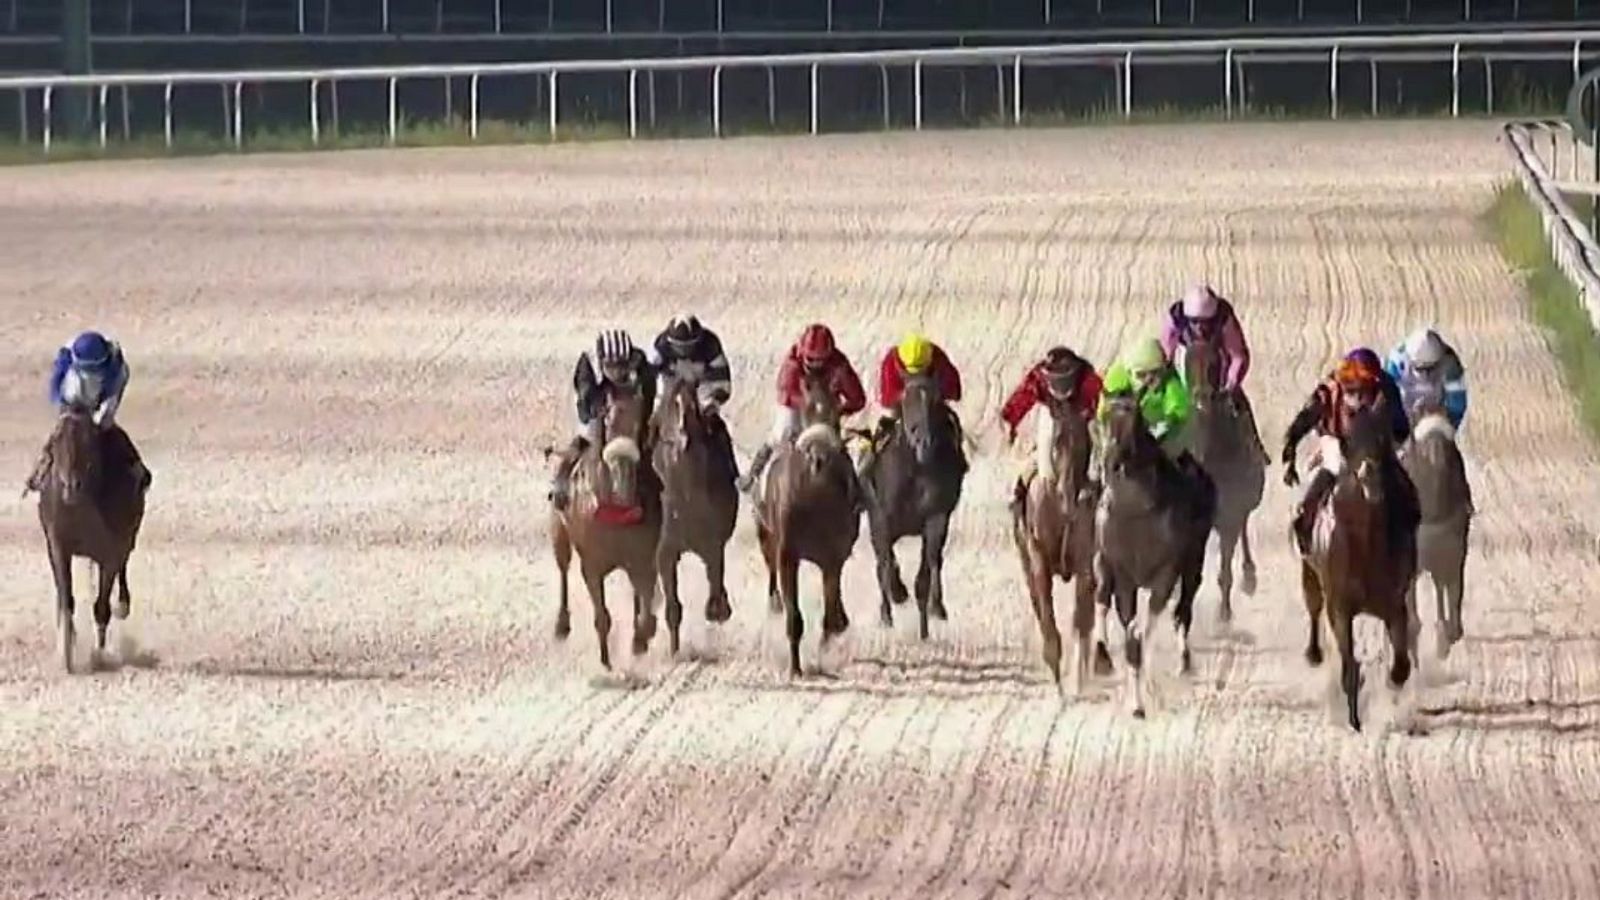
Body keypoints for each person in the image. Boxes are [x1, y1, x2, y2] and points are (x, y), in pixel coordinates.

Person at [1280, 349, 1415, 553]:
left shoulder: (1386, 387)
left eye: (1365, 388)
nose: (1359, 396)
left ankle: (1409, 525)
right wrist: (1291, 445)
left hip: (1374, 443)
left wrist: (1391, 444)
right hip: (1336, 438)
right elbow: (1306, 417)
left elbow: (1401, 426)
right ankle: (1305, 521)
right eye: (1352, 388)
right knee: (1333, 466)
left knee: (1399, 481)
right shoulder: (1330, 388)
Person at [738, 323, 866, 494]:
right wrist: (807, 404)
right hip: (796, 408)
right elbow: (785, 391)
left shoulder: (840, 365)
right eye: (811, 359)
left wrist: (839, 409)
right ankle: (754, 474)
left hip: (825, 411)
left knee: (838, 447)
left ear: (830, 355)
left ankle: (855, 491)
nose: (816, 365)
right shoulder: (792, 363)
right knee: (781, 433)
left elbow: (858, 398)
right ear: (802, 353)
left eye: (821, 360)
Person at [26, 330, 150, 496]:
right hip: (70, 401)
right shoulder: (66, 356)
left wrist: (102, 416)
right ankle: (41, 468)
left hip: (99, 401)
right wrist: (60, 403)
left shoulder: (115, 368)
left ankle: (136, 466)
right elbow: (56, 382)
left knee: (110, 431)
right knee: (60, 433)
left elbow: (112, 394)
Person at [1159, 283, 1268, 463]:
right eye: (1195, 322)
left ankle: (1255, 445)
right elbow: (1164, 354)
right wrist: (1169, 381)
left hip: (1219, 376)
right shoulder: (1175, 318)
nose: (1201, 328)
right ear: (1187, 318)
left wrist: (1230, 384)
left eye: (1206, 323)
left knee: (1239, 404)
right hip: (1184, 373)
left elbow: (1238, 355)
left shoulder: (1225, 319)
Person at [549, 329, 655, 512]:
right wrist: (599, 411)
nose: (617, 372)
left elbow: (650, 392)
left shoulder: (640, 362)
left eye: (622, 366)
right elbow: (585, 402)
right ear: (601, 362)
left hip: (626, 398)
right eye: (611, 367)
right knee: (581, 439)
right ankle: (562, 481)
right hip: (592, 400)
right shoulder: (588, 366)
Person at [857, 332, 963, 478]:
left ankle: (959, 457)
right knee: (879, 433)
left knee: (953, 424)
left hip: (931, 403)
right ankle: (866, 466)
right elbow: (886, 398)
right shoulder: (891, 362)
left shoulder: (938, 357)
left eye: (921, 369)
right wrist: (903, 396)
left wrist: (936, 392)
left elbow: (955, 389)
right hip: (901, 408)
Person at [1000, 345, 1104, 493]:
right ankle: (1022, 487)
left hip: (1082, 417)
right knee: (1045, 448)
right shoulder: (1039, 377)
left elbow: (1102, 403)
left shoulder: (1088, 379)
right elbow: (1023, 396)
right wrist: (1010, 421)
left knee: (1098, 442)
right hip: (1051, 414)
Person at [649, 313, 738, 479]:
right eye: (679, 346)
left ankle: (731, 470)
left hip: (702, 385)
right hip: (670, 384)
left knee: (716, 426)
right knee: (651, 423)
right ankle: (644, 469)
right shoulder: (660, 345)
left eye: (688, 346)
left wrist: (713, 400)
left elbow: (721, 379)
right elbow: (650, 376)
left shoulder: (711, 344)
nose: (683, 350)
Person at [1096, 336, 1200, 475]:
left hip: (1158, 432)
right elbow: (1104, 409)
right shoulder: (1117, 376)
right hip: (1122, 431)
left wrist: (1167, 425)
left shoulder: (1170, 383)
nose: (1150, 380)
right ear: (1130, 371)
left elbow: (1180, 411)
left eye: (1155, 373)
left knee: (1175, 455)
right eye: (1142, 375)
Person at [1385, 326, 1468, 431]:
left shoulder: (1450, 365)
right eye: (1420, 369)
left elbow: (1457, 404)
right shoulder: (1396, 360)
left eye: (1430, 369)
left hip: (1436, 413)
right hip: (1405, 411)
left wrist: (1448, 426)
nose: (1425, 375)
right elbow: (1388, 395)